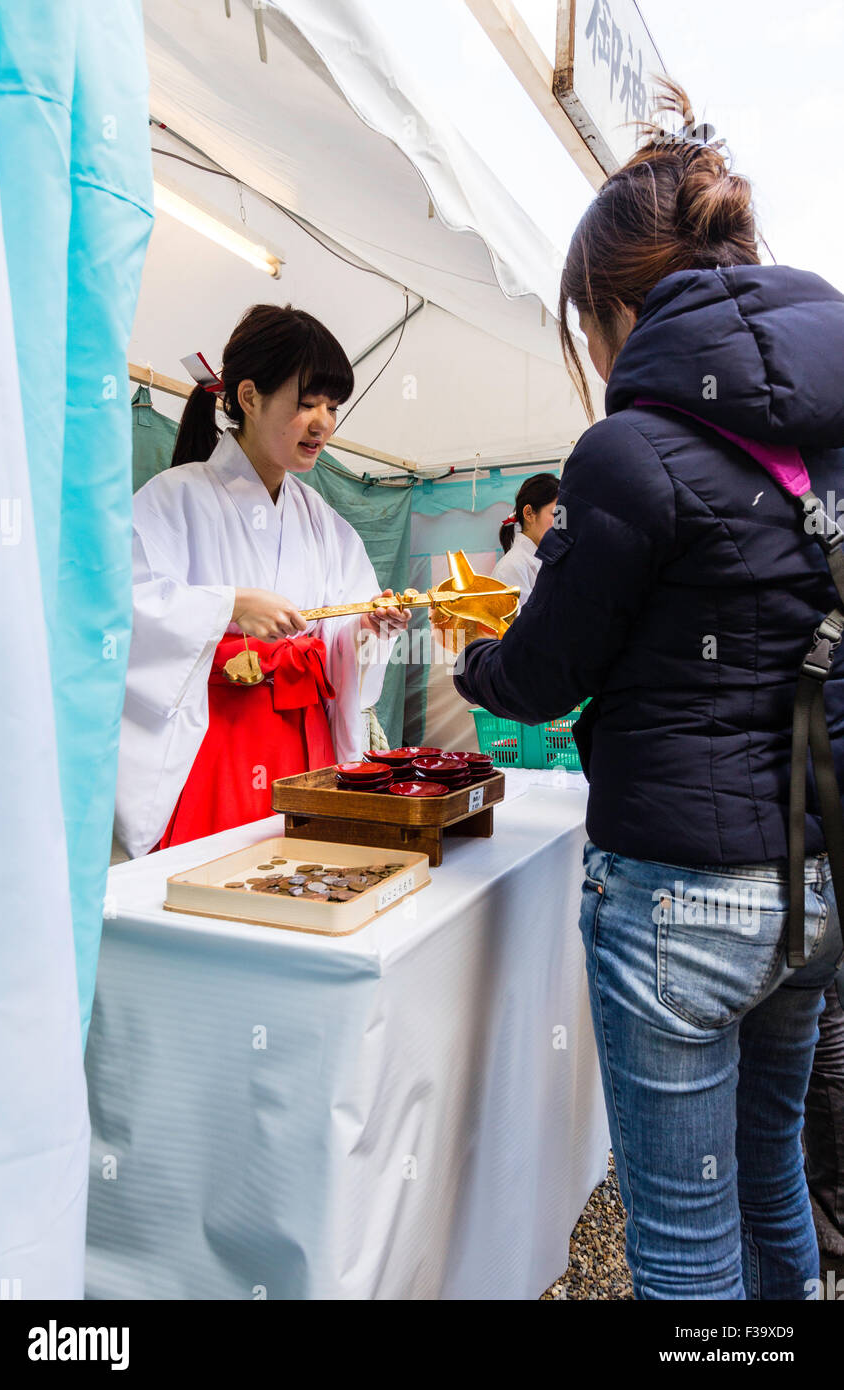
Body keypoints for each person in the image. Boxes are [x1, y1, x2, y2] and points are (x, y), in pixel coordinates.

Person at [454, 76, 844, 1299]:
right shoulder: (825, 444)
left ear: (619, 309)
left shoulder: (628, 451)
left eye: (585, 328)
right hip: (809, 883)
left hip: (679, 895)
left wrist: (476, 656)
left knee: (680, 1241)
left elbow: (544, 673)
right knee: (769, 1169)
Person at [115, 304, 409, 859]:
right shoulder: (173, 497)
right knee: (222, 888)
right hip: (218, 741)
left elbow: (342, 630)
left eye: (332, 405)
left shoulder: (325, 522)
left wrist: (366, 627)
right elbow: (123, 610)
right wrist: (229, 606)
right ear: (248, 397)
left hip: (307, 741)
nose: (323, 421)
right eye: (306, 403)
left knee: (306, 877)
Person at [493, 473, 560, 608]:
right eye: (555, 514)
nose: (561, 524)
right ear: (529, 513)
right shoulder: (511, 568)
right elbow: (523, 627)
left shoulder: (548, 562)